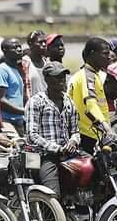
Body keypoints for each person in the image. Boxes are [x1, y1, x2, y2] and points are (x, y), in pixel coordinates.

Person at [26, 62, 80, 197]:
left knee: (95, 170)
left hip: (69, 153)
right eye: (57, 77)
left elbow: (75, 131)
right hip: (46, 155)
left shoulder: (69, 101)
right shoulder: (36, 101)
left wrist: (73, 142)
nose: (62, 80)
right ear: (47, 79)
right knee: (52, 194)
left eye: (63, 76)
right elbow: (32, 136)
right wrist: (57, 148)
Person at [67, 37, 113, 152]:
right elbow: (91, 104)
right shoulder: (87, 76)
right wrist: (106, 127)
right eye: (105, 53)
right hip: (87, 135)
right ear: (93, 54)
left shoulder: (94, 74)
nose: (109, 57)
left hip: (94, 133)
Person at [0, 38, 26, 135]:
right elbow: (0, 100)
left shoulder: (15, 70)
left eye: (20, 47)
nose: (19, 49)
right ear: (4, 50)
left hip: (18, 120)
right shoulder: (1, 70)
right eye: (15, 47)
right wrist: (24, 111)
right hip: (6, 121)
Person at [23, 30, 48, 98]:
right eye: (40, 42)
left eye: (45, 42)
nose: (44, 45)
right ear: (30, 44)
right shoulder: (24, 63)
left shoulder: (47, 63)